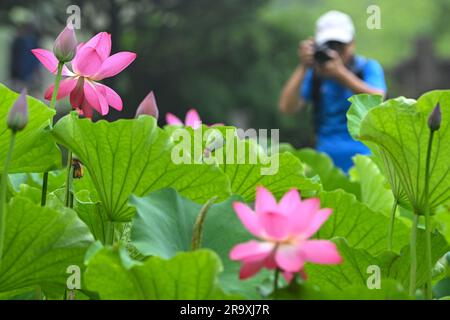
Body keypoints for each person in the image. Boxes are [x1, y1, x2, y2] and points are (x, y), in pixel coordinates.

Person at [279, 10, 386, 172]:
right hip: (325, 162)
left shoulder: (368, 68)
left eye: (340, 46)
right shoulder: (314, 75)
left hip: (366, 161)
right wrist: (303, 66)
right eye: (329, 45)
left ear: (352, 43)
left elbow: (378, 98)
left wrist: (341, 74)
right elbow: (287, 107)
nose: (334, 52)